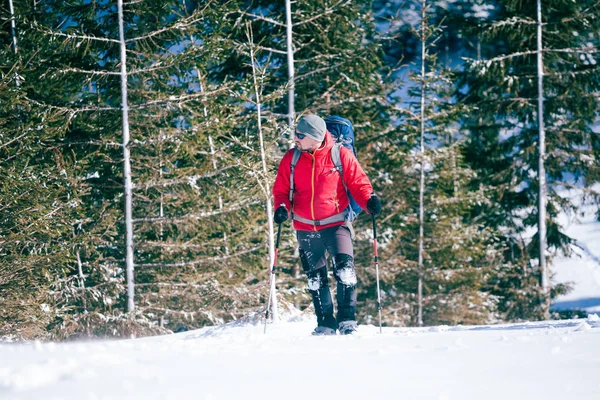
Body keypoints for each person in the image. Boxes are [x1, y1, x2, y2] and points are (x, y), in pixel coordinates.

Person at [272, 114, 382, 335]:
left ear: (315, 137)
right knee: (315, 278)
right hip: (305, 227)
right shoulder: (291, 159)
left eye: (300, 135)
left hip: (336, 223)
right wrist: (282, 208)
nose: (296, 138)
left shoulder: (340, 155)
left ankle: (347, 320)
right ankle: (325, 323)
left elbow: (358, 182)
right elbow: (281, 190)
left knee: (346, 271)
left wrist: (368, 199)